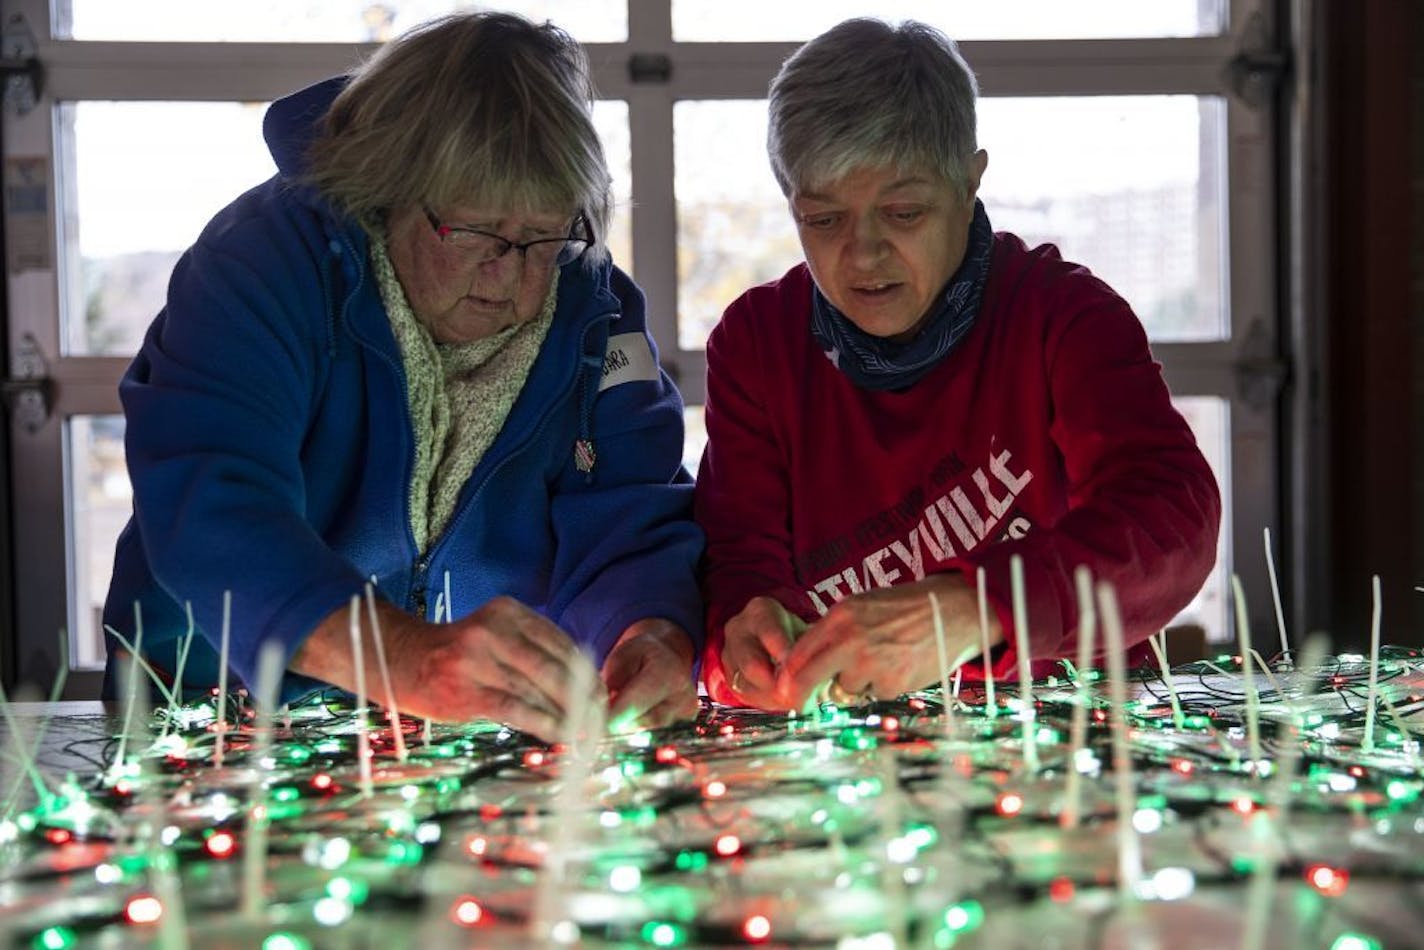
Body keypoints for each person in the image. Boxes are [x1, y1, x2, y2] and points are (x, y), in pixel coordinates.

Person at [102, 11, 703, 740]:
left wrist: (649, 631)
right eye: (473, 230)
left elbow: (628, 511)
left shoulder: (597, 310)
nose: (507, 270)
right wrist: (402, 658)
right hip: (214, 712)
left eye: (541, 235)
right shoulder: (260, 265)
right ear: (385, 189)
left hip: (472, 730)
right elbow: (211, 506)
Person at [695, 18, 1221, 711]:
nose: (864, 255)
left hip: (1075, 736)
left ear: (970, 183)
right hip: (848, 753)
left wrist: (977, 607)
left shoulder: (1059, 314)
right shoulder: (757, 344)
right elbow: (737, 563)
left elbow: (1172, 516)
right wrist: (746, 631)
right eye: (824, 220)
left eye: (904, 212)